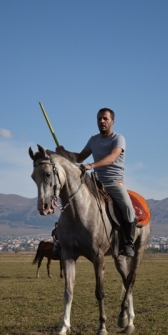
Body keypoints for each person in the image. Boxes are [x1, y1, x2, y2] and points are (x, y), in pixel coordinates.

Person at [56, 107, 136, 257]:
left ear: (112, 122)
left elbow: (112, 158)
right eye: (99, 119)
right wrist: (64, 152)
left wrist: (91, 165)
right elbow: (79, 158)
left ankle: (129, 242)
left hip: (114, 181)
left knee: (127, 206)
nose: (102, 121)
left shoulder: (118, 139)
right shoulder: (94, 139)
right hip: (96, 181)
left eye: (105, 118)